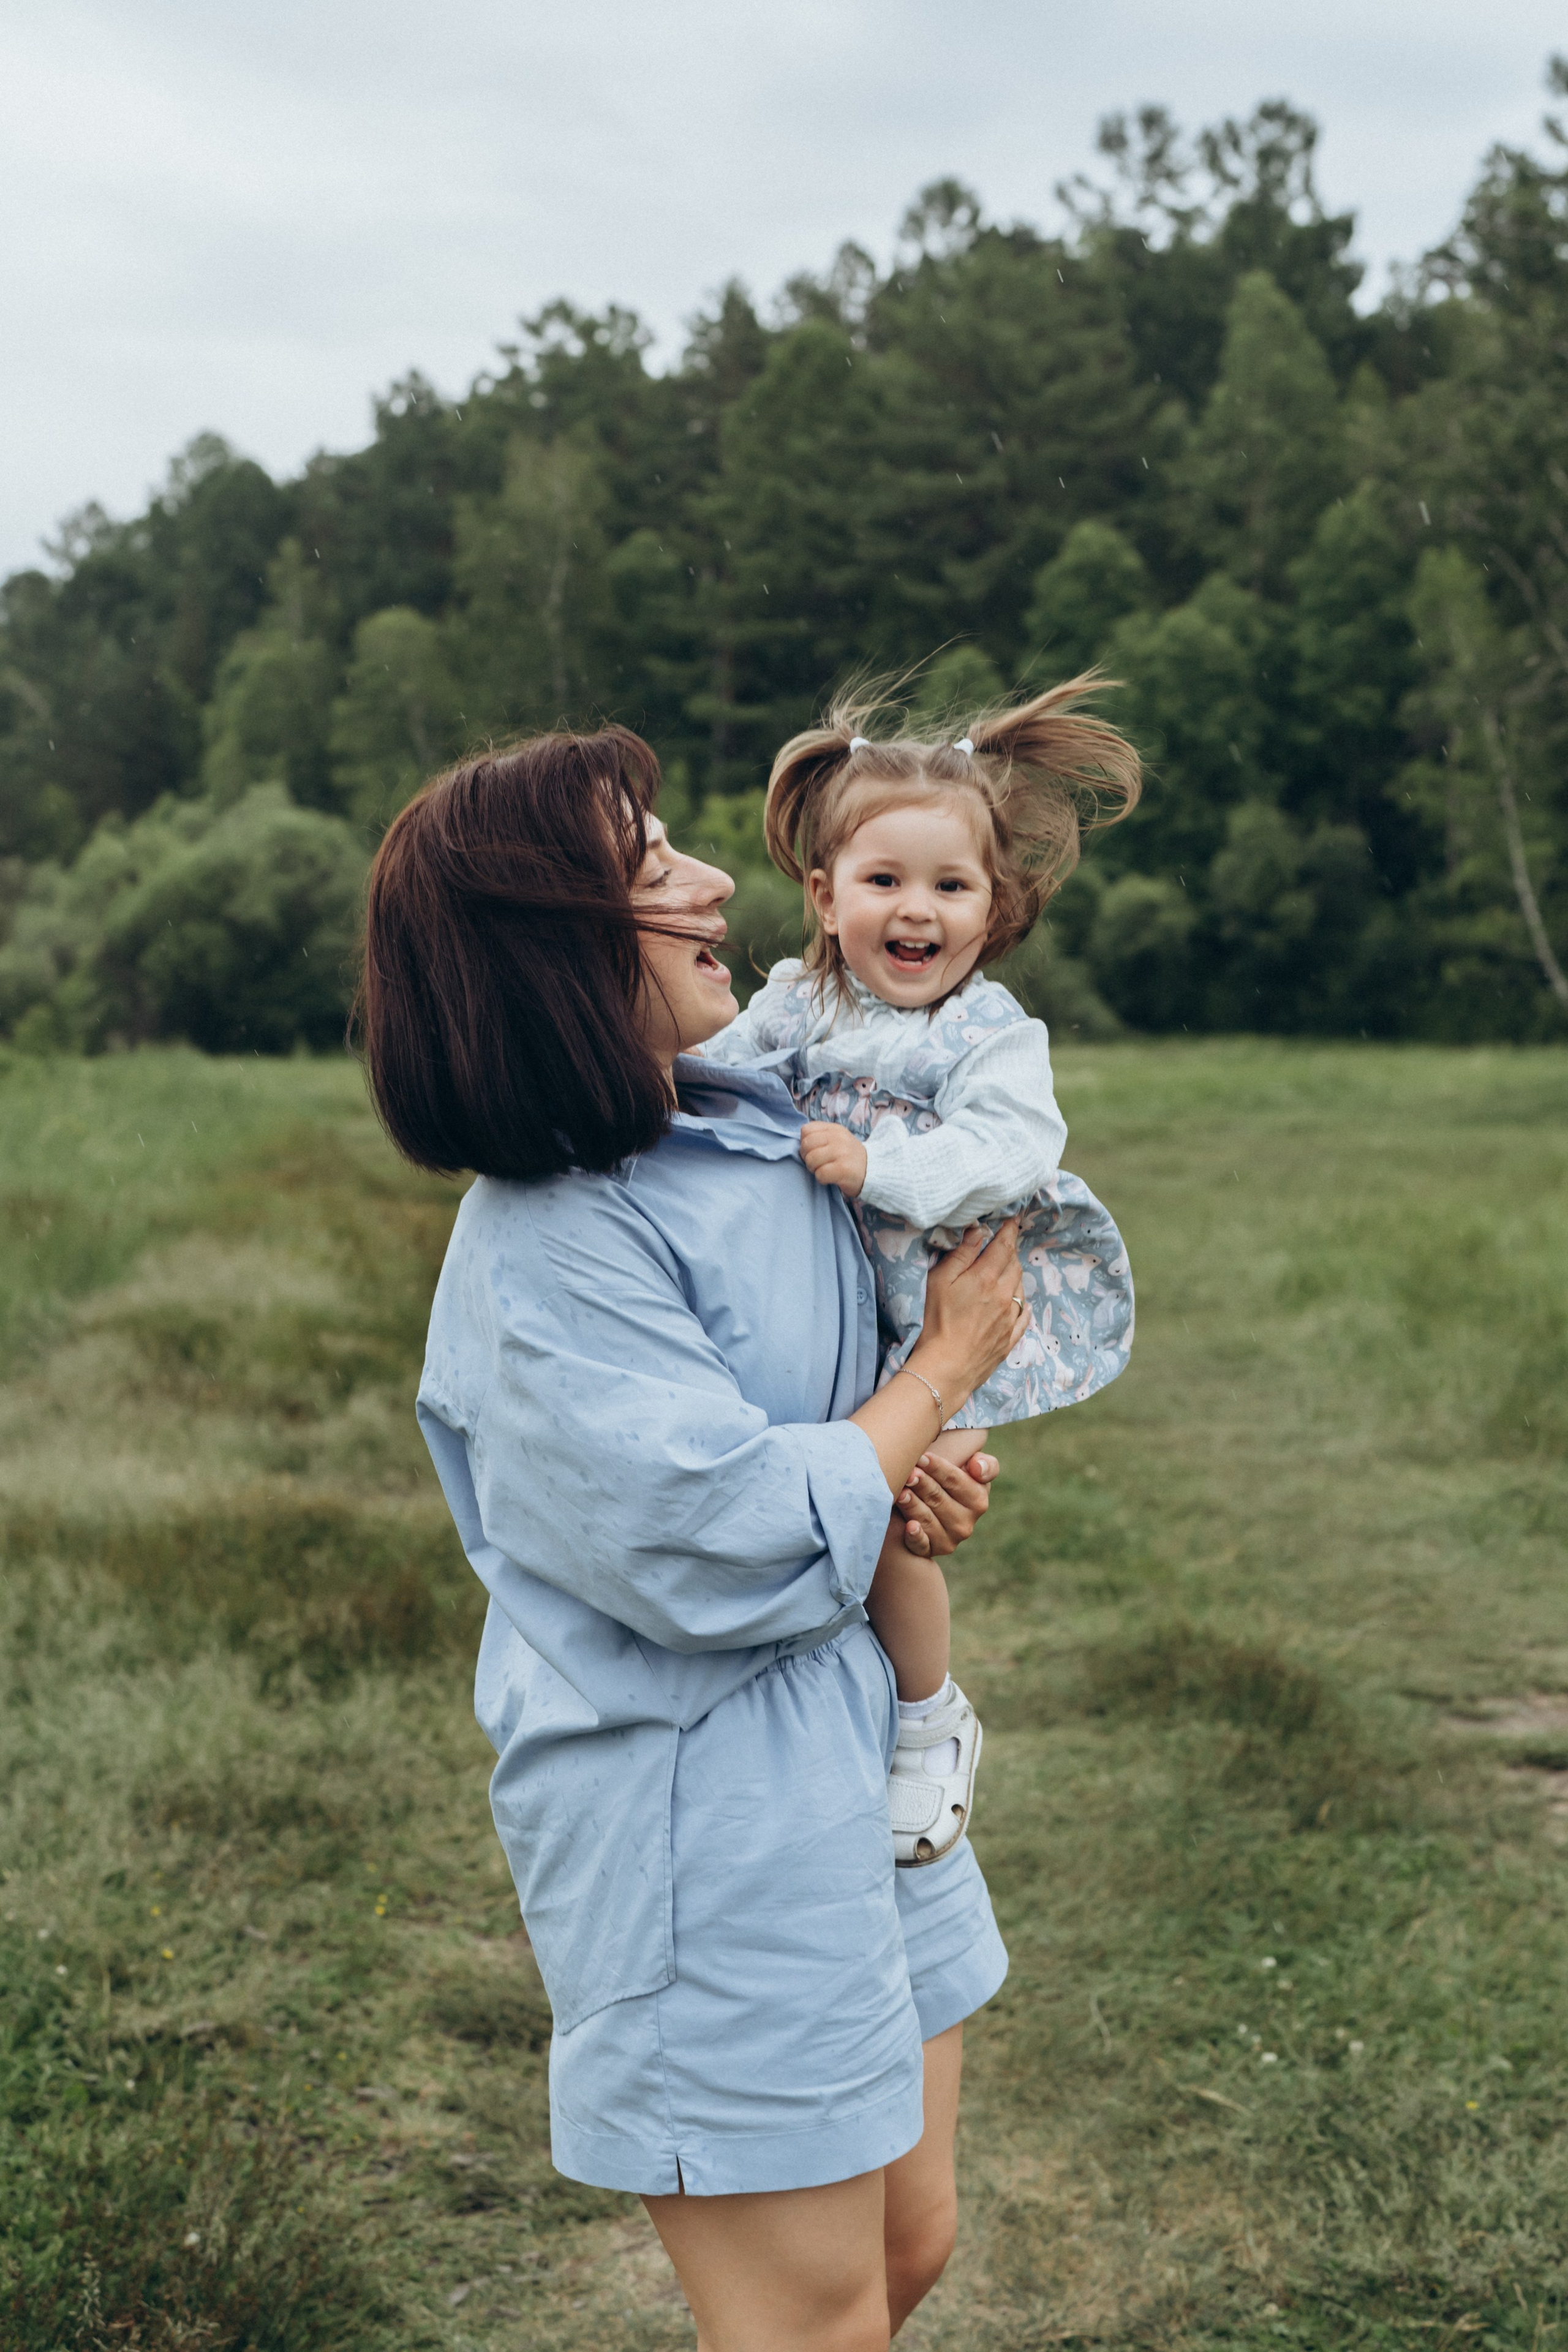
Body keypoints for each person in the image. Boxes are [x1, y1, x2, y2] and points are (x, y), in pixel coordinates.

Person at [357, 726, 1029, 2351]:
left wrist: (908, 1468)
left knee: (910, 2242)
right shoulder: (547, 1250)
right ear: (551, 945)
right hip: (707, 1826)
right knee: (810, 2322)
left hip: (857, 1762)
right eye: (652, 865)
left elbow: (825, 1421)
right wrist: (936, 1377)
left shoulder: (735, 1119)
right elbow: (726, 1535)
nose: (719, 879)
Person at [701, 679, 1140, 1866]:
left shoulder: (988, 1033)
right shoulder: (794, 1002)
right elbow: (711, 1073)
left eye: (951, 887)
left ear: (993, 909)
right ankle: (804, 1709)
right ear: (824, 894)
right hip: (828, 1299)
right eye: (885, 880)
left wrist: (880, 1165)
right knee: (813, 1490)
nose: (917, 910)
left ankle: (926, 1720)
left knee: (901, 1518)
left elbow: (1010, 1150)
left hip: (953, 1301)